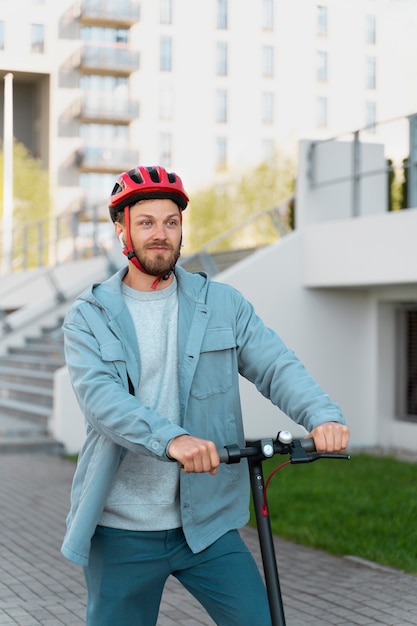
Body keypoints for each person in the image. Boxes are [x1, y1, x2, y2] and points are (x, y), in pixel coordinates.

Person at [61, 165, 349, 626]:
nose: (161, 234)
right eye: (147, 222)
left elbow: (275, 364)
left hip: (207, 526)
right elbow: (101, 401)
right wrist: (171, 440)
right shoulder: (89, 316)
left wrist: (322, 416)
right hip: (122, 529)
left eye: (171, 222)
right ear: (122, 230)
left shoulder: (222, 303)